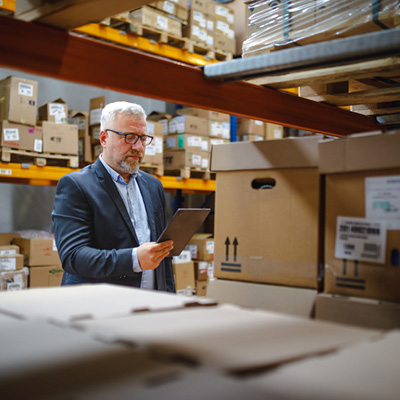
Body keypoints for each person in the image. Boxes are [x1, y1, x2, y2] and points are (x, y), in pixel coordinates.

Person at [52, 101, 175, 292]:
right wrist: (134, 259)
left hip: (150, 304)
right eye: (129, 137)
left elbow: (162, 253)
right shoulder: (76, 185)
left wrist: (169, 298)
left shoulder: (153, 186)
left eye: (143, 138)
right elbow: (73, 256)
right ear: (104, 138)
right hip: (101, 307)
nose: (138, 146)